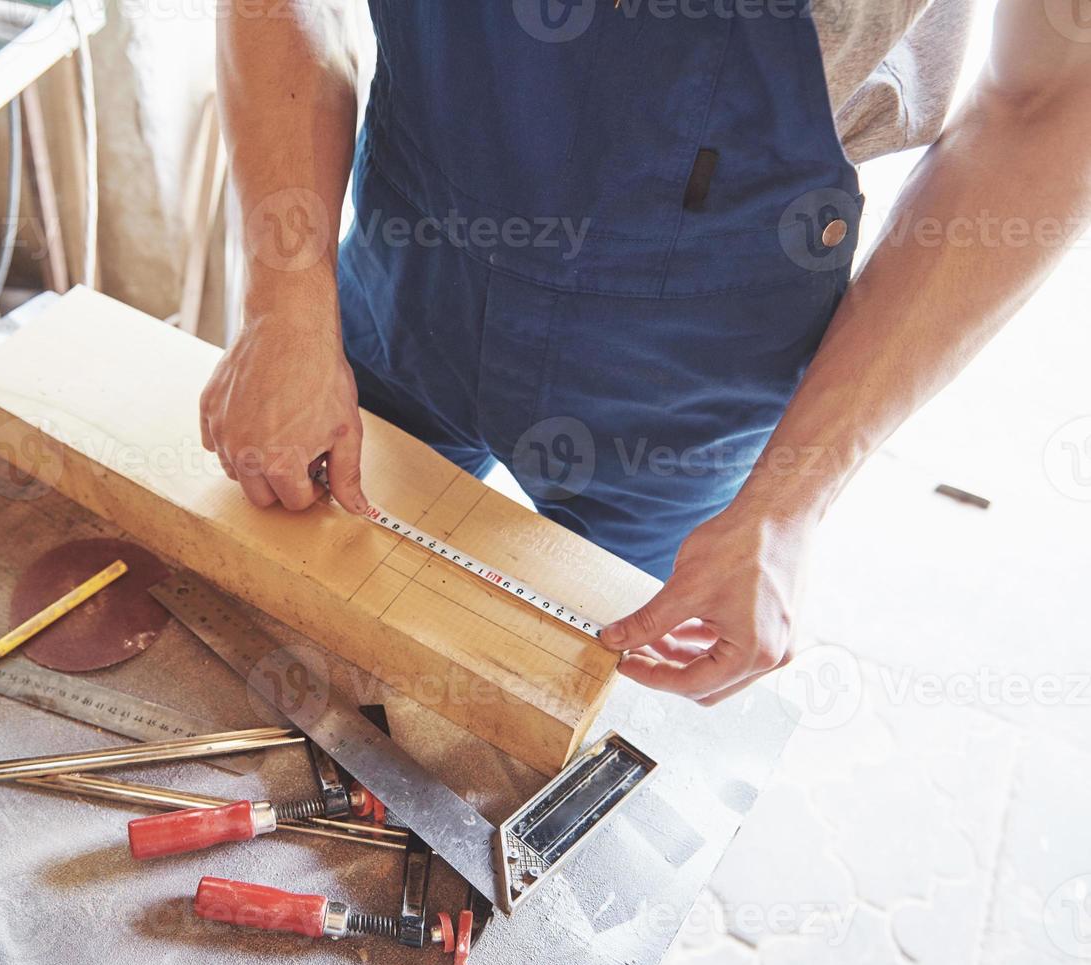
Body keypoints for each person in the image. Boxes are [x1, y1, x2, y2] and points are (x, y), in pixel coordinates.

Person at [199, 0, 1091, 704]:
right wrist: (283, 303)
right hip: (405, 268)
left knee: (569, 720)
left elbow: (1048, 105)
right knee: (272, 641)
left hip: (692, 362)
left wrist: (788, 503)